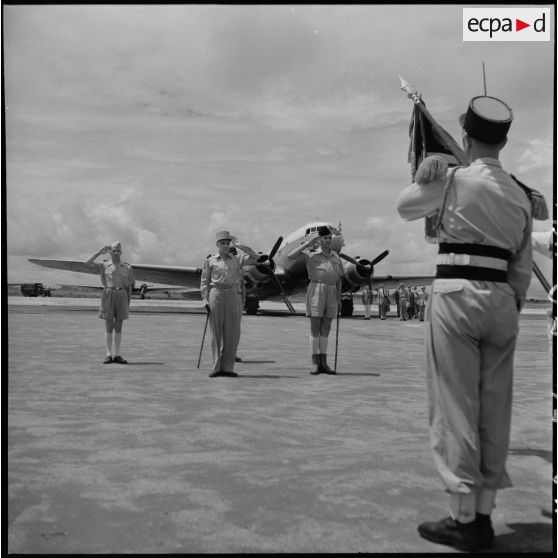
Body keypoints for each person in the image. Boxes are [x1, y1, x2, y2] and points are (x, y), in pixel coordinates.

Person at [396, 94, 532, 551]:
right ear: (504, 141)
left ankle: (463, 518)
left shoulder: (452, 179)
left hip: (456, 296)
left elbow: (405, 207)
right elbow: (522, 266)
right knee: (495, 409)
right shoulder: (521, 193)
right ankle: (487, 515)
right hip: (503, 301)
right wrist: (509, 304)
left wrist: (426, 172)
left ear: (468, 139)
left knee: (455, 408)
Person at [200, 231, 261, 378]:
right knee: (216, 333)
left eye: (228, 243)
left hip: (233, 295)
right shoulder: (210, 261)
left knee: (232, 333)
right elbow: (204, 281)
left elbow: (256, 257)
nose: (226, 246)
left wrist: (239, 244)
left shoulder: (238, 259)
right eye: (223, 243)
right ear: (217, 245)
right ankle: (215, 368)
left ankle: (228, 368)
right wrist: (205, 299)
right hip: (216, 294)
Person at [288, 226, 344, 374]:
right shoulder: (310, 254)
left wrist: (339, 298)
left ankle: (324, 363)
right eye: (324, 238)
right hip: (316, 290)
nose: (327, 240)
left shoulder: (336, 257)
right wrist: (307, 244)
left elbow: (339, 279)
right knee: (315, 327)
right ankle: (315, 363)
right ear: (319, 240)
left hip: (332, 291)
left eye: (329, 238)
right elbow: (290, 256)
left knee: (326, 327)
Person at [85, 241, 135, 364]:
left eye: (118, 250)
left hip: (122, 295)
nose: (116, 253)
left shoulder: (127, 267)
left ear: (121, 252)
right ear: (110, 252)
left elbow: (129, 286)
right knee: (109, 326)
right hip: (108, 294)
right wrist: (99, 252)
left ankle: (117, 355)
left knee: (119, 326)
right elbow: (86, 263)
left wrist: (128, 302)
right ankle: (108, 354)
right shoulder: (104, 265)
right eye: (114, 250)